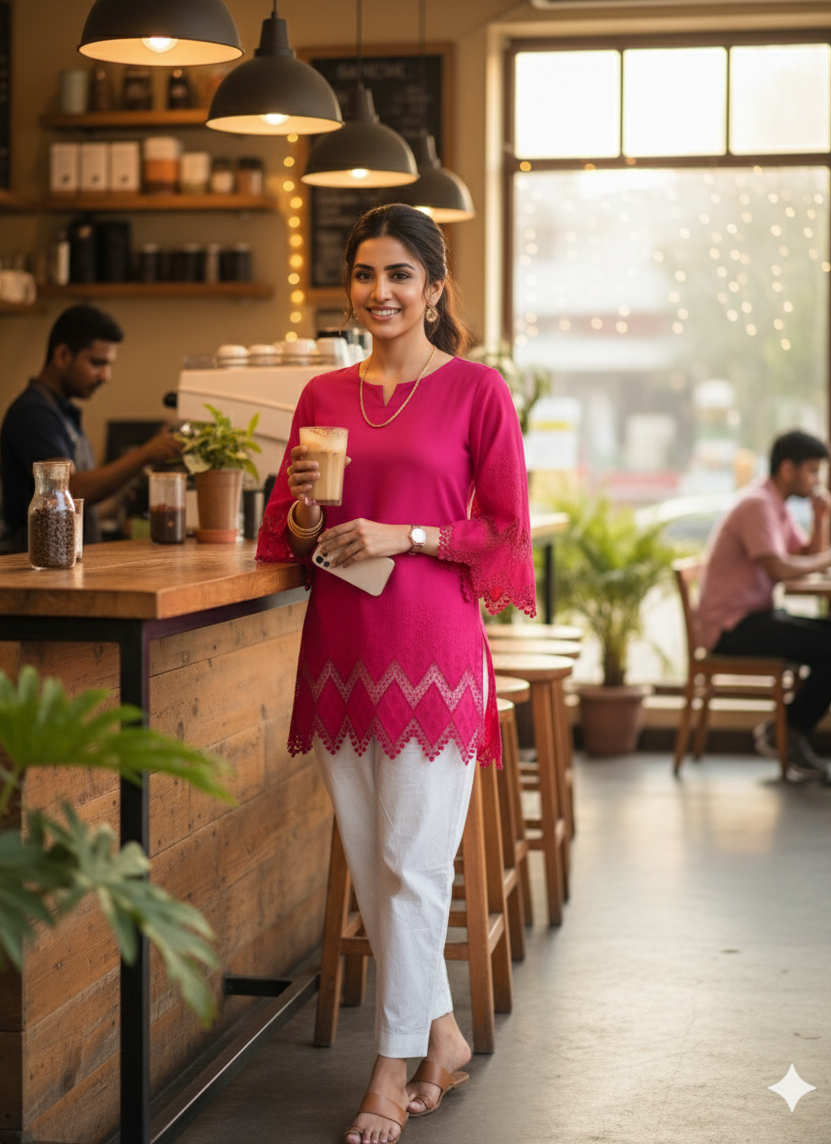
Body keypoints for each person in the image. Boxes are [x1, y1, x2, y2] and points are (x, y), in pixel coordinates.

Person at [256, 203, 535, 1144]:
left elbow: (502, 534)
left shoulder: (475, 392)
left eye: (400, 275)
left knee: (414, 866)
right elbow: (283, 540)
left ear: (434, 288)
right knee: (382, 868)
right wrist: (301, 511)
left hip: (432, 656)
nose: (381, 292)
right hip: (341, 650)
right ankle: (442, 1033)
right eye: (366, 274)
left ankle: (388, 1066)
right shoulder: (322, 397)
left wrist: (405, 533)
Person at [697, 429, 831, 781]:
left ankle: (787, 730)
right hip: (731, 628)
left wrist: (822, 520)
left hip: (756, 617)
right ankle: (788, 732)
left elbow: (803, 555)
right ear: (787, 469)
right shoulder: (758, 506)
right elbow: (780, 569)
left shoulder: (775, 506)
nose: (816, 480)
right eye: (811, 470)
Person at [0, 304, 181, 548]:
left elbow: (87, 499)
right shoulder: (32, 413)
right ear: (63, 355)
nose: (105, 376)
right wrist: (145, 454)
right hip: (43, 566)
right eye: (97, 363)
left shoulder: (62, 412)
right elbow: (68, 491)